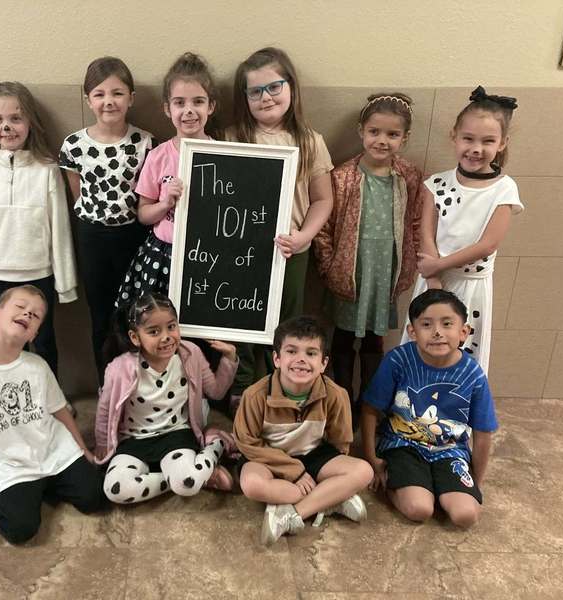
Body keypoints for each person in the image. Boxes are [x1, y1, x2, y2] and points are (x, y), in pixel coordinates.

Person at [0, 285, 106, 544]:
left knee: (94, 497)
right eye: (20, 307)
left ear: (35, 333)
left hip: (53, 451)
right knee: (20, 529)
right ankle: (21, 487)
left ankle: (45, 486)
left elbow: (59, 410)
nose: (28, 314)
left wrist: (82, 448)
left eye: (36, 315)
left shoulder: (37, 367)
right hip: (11, 464)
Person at [227, 47, 334, 408]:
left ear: (291, 87)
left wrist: (304, 237)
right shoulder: (232, 137)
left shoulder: (309, 141)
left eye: (274, 86)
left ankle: (283, 387)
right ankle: (243, 387)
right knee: (238, 316)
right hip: (239, 249)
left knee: (287, 323)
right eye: (255, 91)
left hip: (289, 250)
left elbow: (323, 200)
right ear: (244, 98)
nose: (266, 97)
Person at [315, 93, 423, 428]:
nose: (382, 140)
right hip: (350, 273)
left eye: (392, 135)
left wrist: (410, 266)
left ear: (404, 138)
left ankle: (369, 401)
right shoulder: (343, 176)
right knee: (345, 336)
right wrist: (330, 266)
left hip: (385, 274)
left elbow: (417, 222)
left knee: (376, 338)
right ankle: (343, 396)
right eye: (375, 131)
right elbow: (325, 228)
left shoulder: (408, 177)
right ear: (362, 131)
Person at [402, 86, 523, 373]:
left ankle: (455, 408)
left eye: (488, 141)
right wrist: (433, 280)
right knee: (424, 345)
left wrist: (439, 265)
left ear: (502, 143)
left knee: (460, 349)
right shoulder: (436, 184)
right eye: (468, 138)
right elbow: (426, 233)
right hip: (433, 280)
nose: (476, 148)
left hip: (470, 286)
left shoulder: (504, 189)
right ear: (454, 136)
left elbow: (488, 244)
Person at [0, 81, 77, 376]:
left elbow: (61, 231)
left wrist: (65, 285)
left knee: (44, 340)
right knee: (10, 342)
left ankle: (49, 397)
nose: (7, 127)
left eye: (16, 118)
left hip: (39, 274)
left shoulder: (47, 170)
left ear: (30, 122)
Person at [362, 289, 497, 528]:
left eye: (447, 324)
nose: (437, 332)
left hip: (450, 450)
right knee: (419, 509)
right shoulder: (398, 360)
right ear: (412, 331)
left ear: (464, 332)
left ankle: (436, 483)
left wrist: (476, 481)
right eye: (426, 324)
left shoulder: (473, 375)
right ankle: (408, 483)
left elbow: (484, 433)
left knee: (465, 515)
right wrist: (373, 460)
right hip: (403, 444)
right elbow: (370, 409)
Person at [234, 316, 373, 545]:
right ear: (277, 358)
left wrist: (333, 470)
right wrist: (293, 472)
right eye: (291, 351)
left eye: (311, 353)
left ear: (323, 363)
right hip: (269, 459)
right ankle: (330, 498)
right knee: (251, 484)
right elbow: (247, 443)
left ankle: (291, 513)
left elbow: (340, 442)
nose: (301, 360)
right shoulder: (255, 395)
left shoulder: (336, 394)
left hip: (313, 456)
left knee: (363, 472)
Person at [59, 57, 154, 384]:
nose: (108, 101)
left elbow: (147, 194)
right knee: (101, 314)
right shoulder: (74, 146)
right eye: (99, 94)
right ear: (88, 99)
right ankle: (107, 383)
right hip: (93, 237)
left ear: (131, 97)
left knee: (137, 311)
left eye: (117, 93)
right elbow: (77, 197)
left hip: (134, 236)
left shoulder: (144, 142)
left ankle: (141, 382)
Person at [95, 292, 238, 504]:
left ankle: (214, 444)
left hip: (176, 435)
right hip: (134, 440)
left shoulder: (190, 354)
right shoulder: (118, 368)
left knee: (186, 485)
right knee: (115, 490)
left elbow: (216, 391)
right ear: (135, 337)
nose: (166, 336)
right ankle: (186, 478)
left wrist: (230, 357)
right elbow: (105, 410)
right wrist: (102, 443)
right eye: (154, 331)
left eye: (171, 327)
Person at [115, 52, 218, 306]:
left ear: (211, 106)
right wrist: (164, 204)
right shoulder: (158, 156)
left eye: (198, 102)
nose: (189, 111)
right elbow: (143, 214)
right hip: (164, 255)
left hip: (207, 257)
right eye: (179, 103)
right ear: (167, 108)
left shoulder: (223, 155)